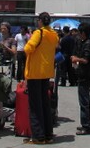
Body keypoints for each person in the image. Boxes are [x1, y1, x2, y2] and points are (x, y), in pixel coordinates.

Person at [23, 11, 59, 145]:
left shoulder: (39, 33)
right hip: (46, 72)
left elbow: (28, 48)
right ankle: (48, 134)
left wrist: (30, 39)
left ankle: (38, 136)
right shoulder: (54, 34)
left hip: (35, 72)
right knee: (45, 104)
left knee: (35, 106)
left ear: (40, 21)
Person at [71, 23, 90, 135]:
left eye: (80, 33)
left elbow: (85, 60)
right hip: (81, 74)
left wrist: (76, 58)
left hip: (85, 75)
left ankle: (87, 126)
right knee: (82, 101)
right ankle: (84, 123)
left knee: (84, 101)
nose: (78, 35)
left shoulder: (88, 44)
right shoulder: (83, 42)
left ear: (83, 33)